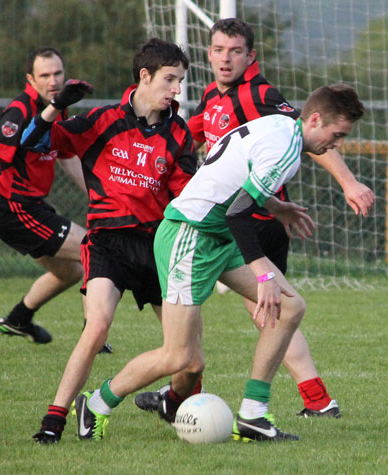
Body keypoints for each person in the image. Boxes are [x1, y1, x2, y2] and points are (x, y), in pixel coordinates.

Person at [72, 84, 364, 443]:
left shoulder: (280, 124)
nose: (336, 145)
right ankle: (97, 402)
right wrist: (264, 274)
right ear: (316, 119)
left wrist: (276, 207)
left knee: (289, 309)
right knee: (178, 356)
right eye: (337, 135)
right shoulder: (286, 150)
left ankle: (254, 415)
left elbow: (232, 174)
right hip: (190, 236)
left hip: (214, 236)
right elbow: (239, 215)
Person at [135, 18, 375, 419]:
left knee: (272, 308)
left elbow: (315, 133)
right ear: (208, 53)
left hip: (253, 216)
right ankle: (294, 399)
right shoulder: (212, 95)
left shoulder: (260, 95)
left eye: (235, 51)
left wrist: (349, 182)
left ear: (251, 57)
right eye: (217, 50)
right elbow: (190, 138)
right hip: (223, 216)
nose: (225, 59)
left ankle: (200, 396)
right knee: (270, 310)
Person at [21, 38, 198, 444]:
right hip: (107, 243)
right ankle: (54, 421)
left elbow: (188, 196)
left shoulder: (178, 134)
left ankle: (181, 408)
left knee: (189, 359)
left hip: (157, 247)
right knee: (96, 327)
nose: (177, 89)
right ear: (144, 76)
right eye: (170, 79)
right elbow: (33, 142)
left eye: (180, 81)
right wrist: (54, 107)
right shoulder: (101, 121)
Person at [0, 47, 88, 345]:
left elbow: (66, 158)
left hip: (32, 207)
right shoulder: (20, 111)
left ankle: (18, 319)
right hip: (13, 209)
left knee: (70, 272)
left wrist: (99, 196)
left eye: (57, 73)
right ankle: (93, 333)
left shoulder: (59, 107)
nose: (53, 80)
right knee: (92, 248)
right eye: (45, 75)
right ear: (31, 78)